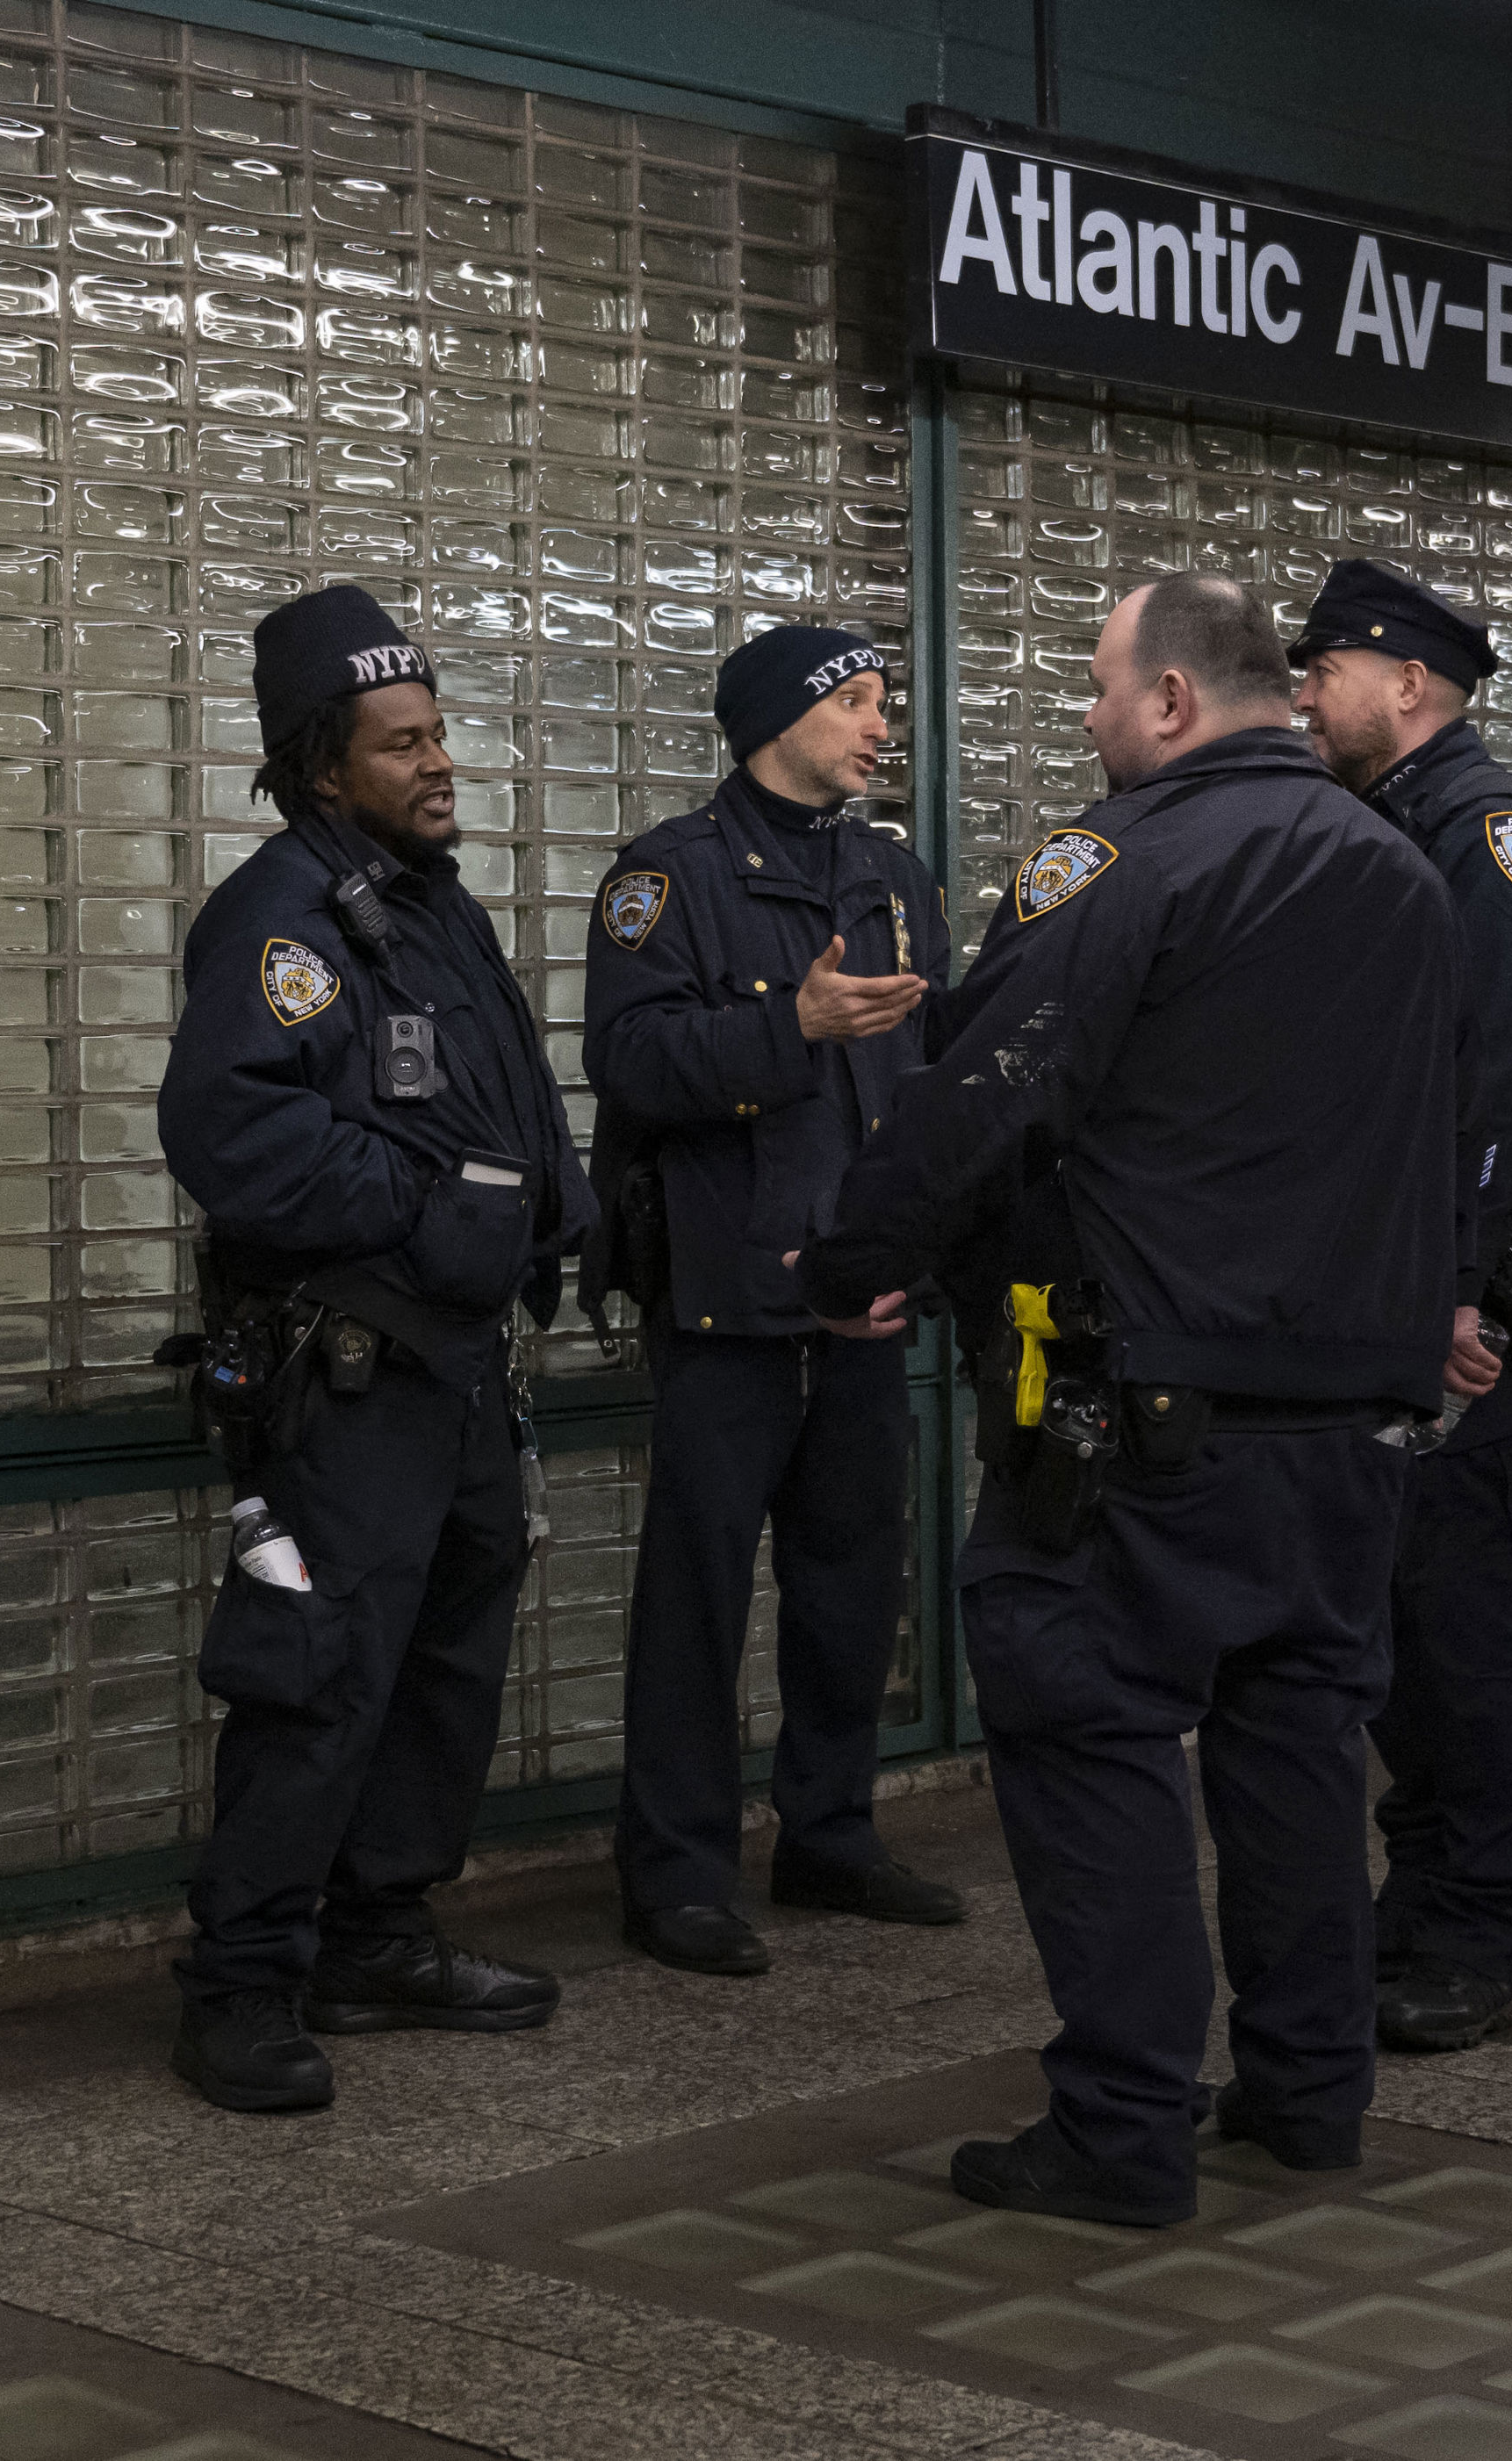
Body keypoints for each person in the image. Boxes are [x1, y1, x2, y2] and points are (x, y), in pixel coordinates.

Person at [796, 572, 1461, 2227]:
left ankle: (1120, 2130)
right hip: (1347, 1425)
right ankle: (1310, 2094)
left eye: (1099, 687)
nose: (1088, 719)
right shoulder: (1400, 868)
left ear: (1169, 701)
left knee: (1091, 1738)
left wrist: (859, 1253)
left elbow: (986, 1088)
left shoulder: (1122, 859)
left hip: (1137, 1426)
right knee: (1300, 1754)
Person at [156, 583, 597, 2112]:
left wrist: (556, 1203)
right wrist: (432, 1205)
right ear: (319, 764)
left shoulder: (428, 901)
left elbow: (501, 1103)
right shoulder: (279, 918)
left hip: (459, 1373)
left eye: (437, 735)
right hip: (346, 1378)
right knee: (319, 1675)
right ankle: (243, 1978)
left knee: (444, 1667)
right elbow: (232, 1132)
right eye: (400, 744)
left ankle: (379, 1930)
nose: (437, 764)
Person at [582, 627, 965, 1976]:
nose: (877, 727)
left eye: (881, 702)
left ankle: (831, 1832)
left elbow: (928, 1075)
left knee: (853, 1583)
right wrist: (786, 1027)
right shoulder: (667, 877)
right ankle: (677, 1870)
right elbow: (627, 1060)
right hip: (725, 1302)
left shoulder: (892, 874)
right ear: (775, 719)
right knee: (697, 1599)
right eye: (853, 703)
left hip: (859, 1300)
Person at [1291, 561, 1512, 2059]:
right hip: (1390, 1291)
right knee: (1397, 1634)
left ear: (1403, 682)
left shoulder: (1497, 839)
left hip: (1456, 1296)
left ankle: (1472, 1927)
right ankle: (1415, 1909)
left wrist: (1451, 1283)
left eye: (1321, 668)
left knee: (1465, 1633)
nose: (1301, 693)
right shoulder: (1380, 830)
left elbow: (1495, 1087)